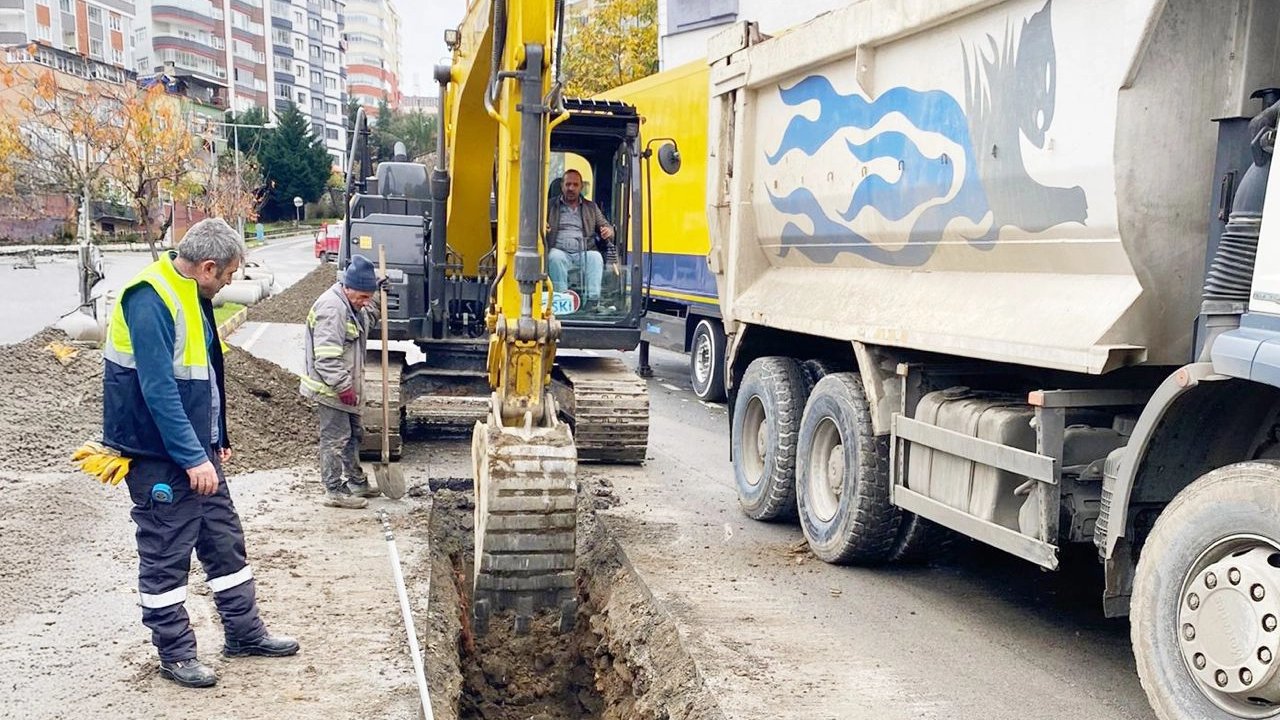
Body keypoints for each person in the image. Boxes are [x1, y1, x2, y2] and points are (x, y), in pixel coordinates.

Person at [102, 218, 298, 689]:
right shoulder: (150, 297)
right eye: (228, 275)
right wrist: (192, 458)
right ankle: (176, 654)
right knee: (166, 554)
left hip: (196, 450)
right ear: (207, 267)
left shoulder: (193, 293)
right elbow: (159, 389)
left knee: (223, 542)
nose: (230, 283)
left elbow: (205, 374)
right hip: (159, 457)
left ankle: (245, 634)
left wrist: (216, 437)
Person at [300, 254, 384, 509]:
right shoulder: (332, 309)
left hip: (346, 387)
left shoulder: (353, 305)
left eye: (367, 297)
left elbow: (369, 316)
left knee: (353, 436)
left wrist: (379, 295)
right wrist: (343, 386)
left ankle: (356, 481)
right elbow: (326, 358)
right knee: (335, 439)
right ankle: (334, 490)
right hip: (331, 389)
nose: (364, 302)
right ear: (347, 287)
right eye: (361, 296)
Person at [546, 169, 615, 311]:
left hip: (584, 251)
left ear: (581, 187)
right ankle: (562, 300)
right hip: (559, 250)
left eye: (575, 185)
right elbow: (535, 226)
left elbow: (606, 226)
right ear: (561, 186)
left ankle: (592, 301)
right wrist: (543, 228)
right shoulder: (549, 205)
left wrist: (608, 231)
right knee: (554, 257)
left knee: (595, 257)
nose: (571, 188)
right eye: (568, 184)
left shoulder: (591, 207)